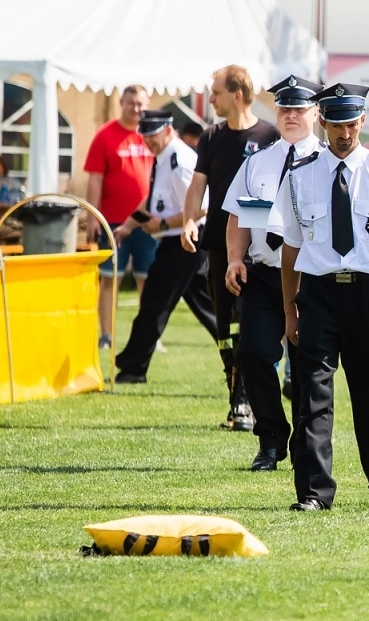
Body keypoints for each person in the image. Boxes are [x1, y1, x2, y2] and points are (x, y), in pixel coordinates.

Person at [270, 83, 369, 511]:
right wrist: (290, 310)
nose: (344, 132)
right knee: (311, 395)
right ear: (321, 121)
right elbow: (290, 249)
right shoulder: (300, 174)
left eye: (351, 123)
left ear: (363, 121)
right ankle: (313, 493)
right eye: (336, 123)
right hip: (318, 294)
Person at [223, 74, 323, 474]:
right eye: (284, 108)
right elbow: (239, 218)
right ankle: (270, 438)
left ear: (316, 113)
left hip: (310, 276)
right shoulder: (259, 161)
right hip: (263, 274)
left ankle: (305, 443)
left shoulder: (327, 161)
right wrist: (234, 258)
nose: (291, 115)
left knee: (305, 365)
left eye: (300, 108)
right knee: (254, 354)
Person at [183, 65, 279, 433]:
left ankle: (246, 398)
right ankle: (235, 394)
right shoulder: (210, 137)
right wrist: (190, 220)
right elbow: (197, 187)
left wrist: (255, 231)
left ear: (237, 94)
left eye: (215, 92)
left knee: (250, 323)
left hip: (256, 249)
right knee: (225, 326)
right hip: (219, 245)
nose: (210, 99)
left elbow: (266, 194)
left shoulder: (269, 135)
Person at [113, 111, 215, 383]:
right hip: (180, 238)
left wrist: (163, 224)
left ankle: (133, 367)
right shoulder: (165, 157)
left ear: (168, 130)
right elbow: (154, 200)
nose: (148, 141)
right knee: (209, 306)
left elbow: (202, 206)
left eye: (152, 134)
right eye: (144, 135)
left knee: (154, 303)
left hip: (185, 239)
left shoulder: (179, 160)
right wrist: (128, 226)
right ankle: (246, 351)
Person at [83, 85, 154, 349]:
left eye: (141, 104)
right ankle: (107, 335)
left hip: (148, 222)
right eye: (131, 103)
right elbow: (94, 180)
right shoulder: (105, 136)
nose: (136, 109)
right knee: (109, 277)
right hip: (112, 221)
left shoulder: (152, 134)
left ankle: (147, 335)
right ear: (121, 103)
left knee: (146, 279)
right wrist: (92, 216)